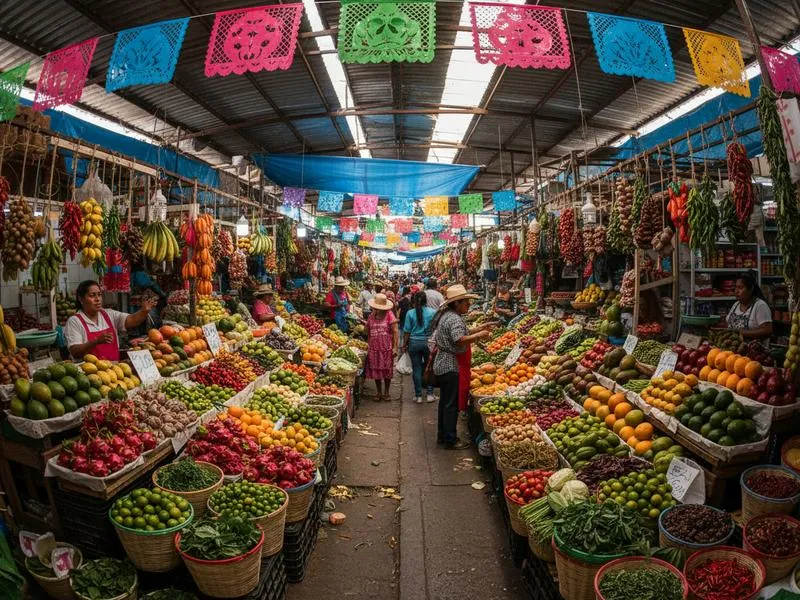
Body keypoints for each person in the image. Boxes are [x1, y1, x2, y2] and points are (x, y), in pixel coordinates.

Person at [432, 285, 493, 449]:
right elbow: (459, 339)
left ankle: (442, 435)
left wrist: (478, 328)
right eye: (466, 302)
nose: (469, 305)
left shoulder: (449, 316)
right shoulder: (453, 318)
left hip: (443, 363)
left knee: (445, 402)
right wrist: (479, 335)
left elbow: (460, 333)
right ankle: (451, 440)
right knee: (450, 404)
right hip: (450, 364)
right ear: (456, 303)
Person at [65, 280, 158, 360]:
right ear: (81, 299)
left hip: (114, 372)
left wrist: (144, 311)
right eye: (92, 295)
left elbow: (132, 320)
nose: (98, 299)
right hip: (91, 377)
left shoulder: (108, 314)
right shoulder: (75, 321)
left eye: (99, 295)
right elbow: (75, 351)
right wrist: (96, 341)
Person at [402, 290, 437, 404]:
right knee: (429, 367)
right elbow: (436, 329)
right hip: (429, 342)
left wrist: (404, 345)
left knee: (416, 368)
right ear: (426, 301)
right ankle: (430, 394)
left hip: (414, 342)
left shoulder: (410, 313)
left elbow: (406, 331)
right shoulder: (432, 312)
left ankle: (418, 396)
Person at [365, 293, 398, 402]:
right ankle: (379, 392)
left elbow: (395, 331)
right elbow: (367, 331)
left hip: (386, 348)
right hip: (374, 348)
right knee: (376, 371)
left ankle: (386, 392)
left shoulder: (389, 315)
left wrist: (395, 348)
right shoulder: (371, 316)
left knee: (387, 371)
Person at [726, 272, 773, 348]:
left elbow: (767, 331)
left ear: (750, 289)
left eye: (740, 288)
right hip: (735, 354)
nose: (736, 291)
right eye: (736, 287)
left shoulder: (760, 305)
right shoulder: (736, 305)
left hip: (755, 353)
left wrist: (741, 332)